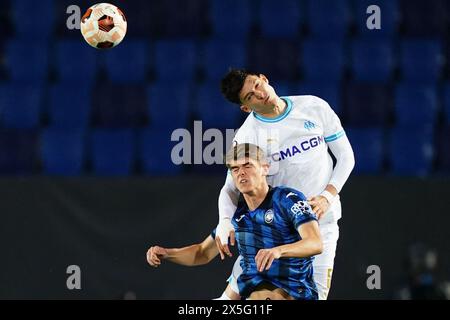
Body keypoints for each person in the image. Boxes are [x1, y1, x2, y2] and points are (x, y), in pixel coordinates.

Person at [215, 68, 355, 300]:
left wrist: (327, 196)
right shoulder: (248, 135)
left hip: (323, 224)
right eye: (250, 96)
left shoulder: (314, 107)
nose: (259, 94)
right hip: (276, 231)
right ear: (246, 108)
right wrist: (224, 223)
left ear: (264, 78)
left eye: (257, 85)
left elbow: (346, 157)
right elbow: (230, 188)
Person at [147, 143, 323, 300]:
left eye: (248, 165)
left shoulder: (287, 199)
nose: (241, 173)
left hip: (297, 292)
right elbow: (202, 253)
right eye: (235, 169)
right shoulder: (235, 215)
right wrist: (168, 253)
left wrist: (278, 251)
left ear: (265, 168)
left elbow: (315, 243)